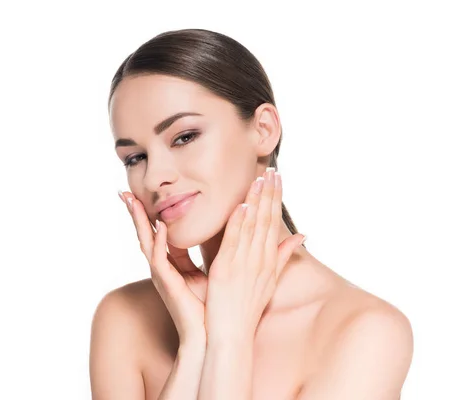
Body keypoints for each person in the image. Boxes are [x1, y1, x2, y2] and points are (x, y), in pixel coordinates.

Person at [89, 28, 413, 399]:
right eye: (135, 157)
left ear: (263, 130)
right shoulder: (124, 318)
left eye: (184, 136)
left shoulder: (365, 331)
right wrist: (196, 345)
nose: (154, 176)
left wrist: (230, 339)